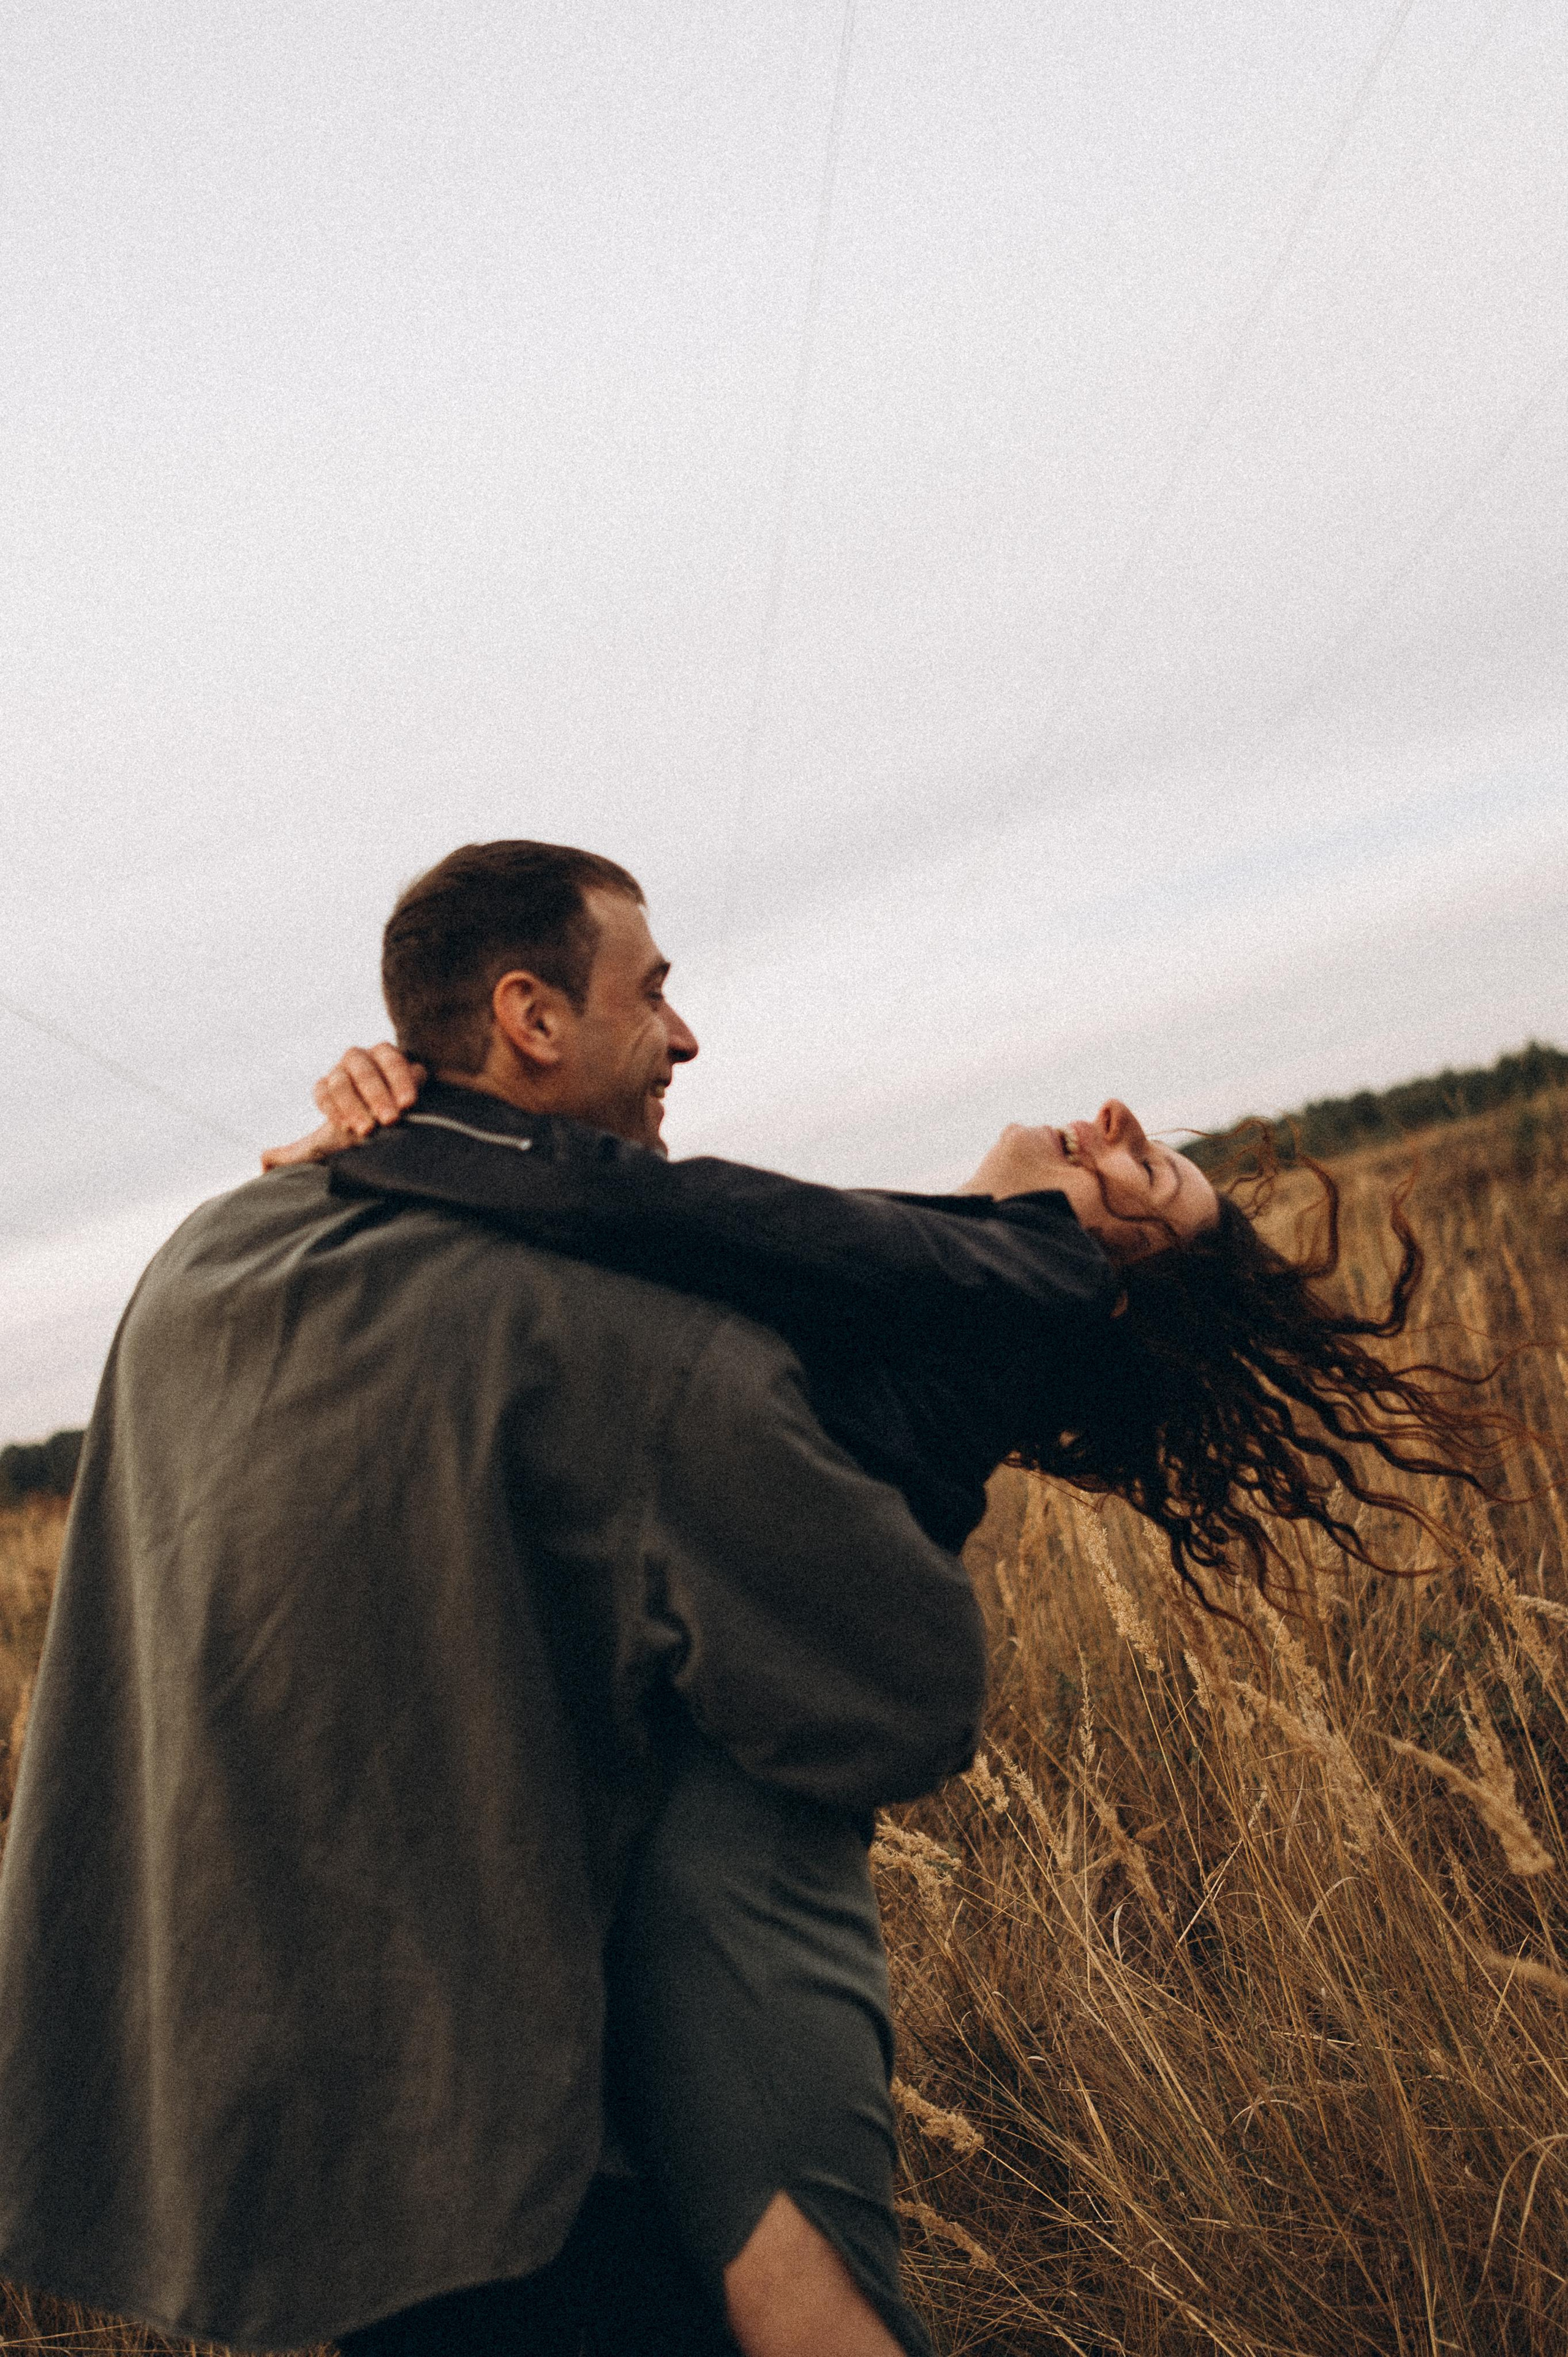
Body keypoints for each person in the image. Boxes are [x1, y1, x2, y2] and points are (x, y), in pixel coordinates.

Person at [268, 843, 1509, 2355]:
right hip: (636, 1817)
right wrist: (422, 1090)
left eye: (1145, 1180)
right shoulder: (944, 1273)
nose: (1114, 1129)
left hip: (742, 1834)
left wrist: (419, 1124)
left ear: (1105, 1275)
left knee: (797, 2296)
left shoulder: (988, 1298)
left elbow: (655, 1225)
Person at [0, 845, 1019, 2357]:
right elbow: (901, 1699)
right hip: (520, 2170)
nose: (684, 1035)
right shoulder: (624, 1343)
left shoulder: (206, 1257)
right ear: (532, 1015)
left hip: (267, 2137)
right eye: (653, 989)